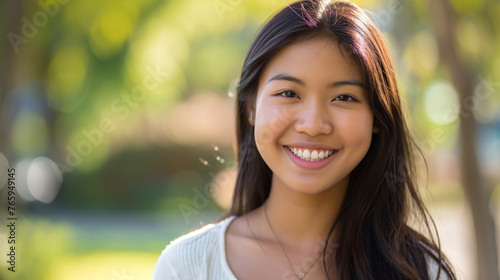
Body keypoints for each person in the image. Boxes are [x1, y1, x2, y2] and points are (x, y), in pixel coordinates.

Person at [153, 0, 457, 279]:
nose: (313, 125)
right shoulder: (188, 266)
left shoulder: (420, 271)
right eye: (289, 93)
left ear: (377, 117)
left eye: (344, 97)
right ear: (252, 107)